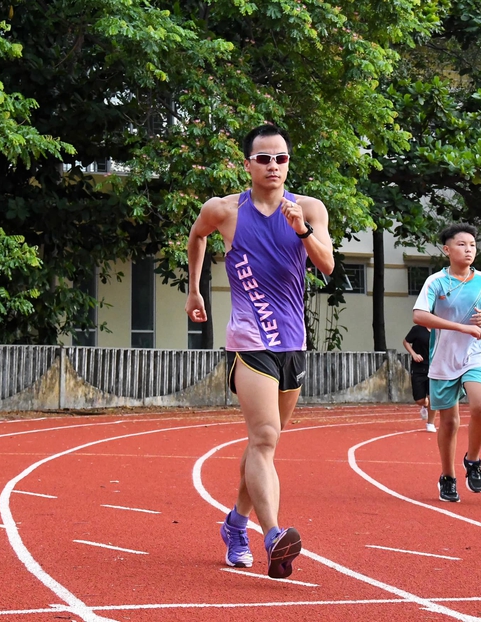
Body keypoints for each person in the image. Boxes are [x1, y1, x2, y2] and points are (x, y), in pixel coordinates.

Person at [185, 124, 334, 577]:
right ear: (247, 163)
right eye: (264, 158)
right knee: (265, 437)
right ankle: (273, 536)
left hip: (292, 341)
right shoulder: (224, 210)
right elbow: (196, 238)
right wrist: (195, 291)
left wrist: (303, 230)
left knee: (263, 446)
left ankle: (234, 524)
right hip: (251, 340)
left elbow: (327, 266)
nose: (273, 166)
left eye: (281, 158)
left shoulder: (308, 208)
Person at [413, 223, 481, 503]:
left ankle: (473, 460)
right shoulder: (436, 282)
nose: (469, 249)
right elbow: (419, 316)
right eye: (462, 244)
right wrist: (461, 327)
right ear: (447, 249)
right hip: (443, 359)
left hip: (475, 354)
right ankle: (448, 476)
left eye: (473, 245)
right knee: (449, 422)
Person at [403, 324, 438, 432]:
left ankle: (430, 423)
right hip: (419, 367)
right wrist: (413, 354)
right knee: (419, 400)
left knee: (433, 396)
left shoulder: (440, 330)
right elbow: (406, 341)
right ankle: (424, 405)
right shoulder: (417, 329)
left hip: (434, 368)